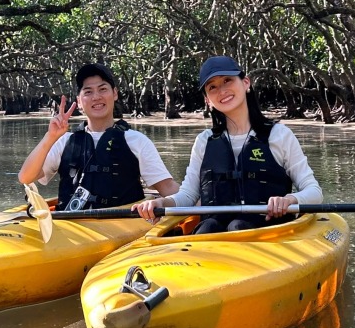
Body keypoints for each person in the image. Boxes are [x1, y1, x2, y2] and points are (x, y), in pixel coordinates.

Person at [134, 55, 322, 233]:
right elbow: (188, 196)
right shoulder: (203, 141)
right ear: (207, 100)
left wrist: (290, 200)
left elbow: (314, 192)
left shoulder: (279, 136)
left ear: (246, 83)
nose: (222, 91)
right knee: (208, 227)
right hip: (216, 235)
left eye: (227, 81)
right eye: (212, 87)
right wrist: (161, 203)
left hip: (268, 232)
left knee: (238, 225)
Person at [18, 63, 179, 210]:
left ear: (114, 94)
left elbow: (168, 188)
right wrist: (50, 137)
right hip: (68, 225)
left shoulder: (137, 141)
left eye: (103, 89)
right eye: (88, 92)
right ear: (79, 102)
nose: (96, 97)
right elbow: (26, 177)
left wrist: (199, 203)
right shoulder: (64, 141)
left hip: (121, 226)